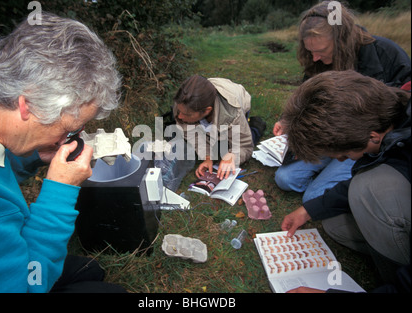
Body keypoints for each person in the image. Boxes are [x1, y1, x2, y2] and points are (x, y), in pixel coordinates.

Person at [0, 12, 126, 292]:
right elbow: (28, 284)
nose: (69, 138)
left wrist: (34, 155)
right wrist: (59, 192)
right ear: (27, 106)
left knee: (90, 269)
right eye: (69, 128)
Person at [280, 70, 410, 290]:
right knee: (335, 225)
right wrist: (309, 210)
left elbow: (366, 183)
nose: (341, 160)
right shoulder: (387, 129)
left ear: (372, 137)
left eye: (344, 155)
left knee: (367, 186)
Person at [272, 1, 411, 203]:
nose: (315, 58)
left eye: (321, 50)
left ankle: (339, 182)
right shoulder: (316, 61)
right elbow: (306, 98)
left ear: (341, 39)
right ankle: (333, 175)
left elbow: (405, 103)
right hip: (329, 139)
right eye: (310, 51)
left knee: (313, 198)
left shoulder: (386, 53)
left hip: (359, 145)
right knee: (285, 178)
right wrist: (287, 120)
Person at [173, 75, 265, 180]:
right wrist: (207, 158)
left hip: (238, 101)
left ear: (207, 110)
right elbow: (192, 135)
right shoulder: (183, 104)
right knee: (217, 149)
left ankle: (256, 126)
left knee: (226, 150)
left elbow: (244, 146)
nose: (180, 116)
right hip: (213, 111)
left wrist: (232, 157)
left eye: (187, 115)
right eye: (180, 112)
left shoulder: (232, 113)